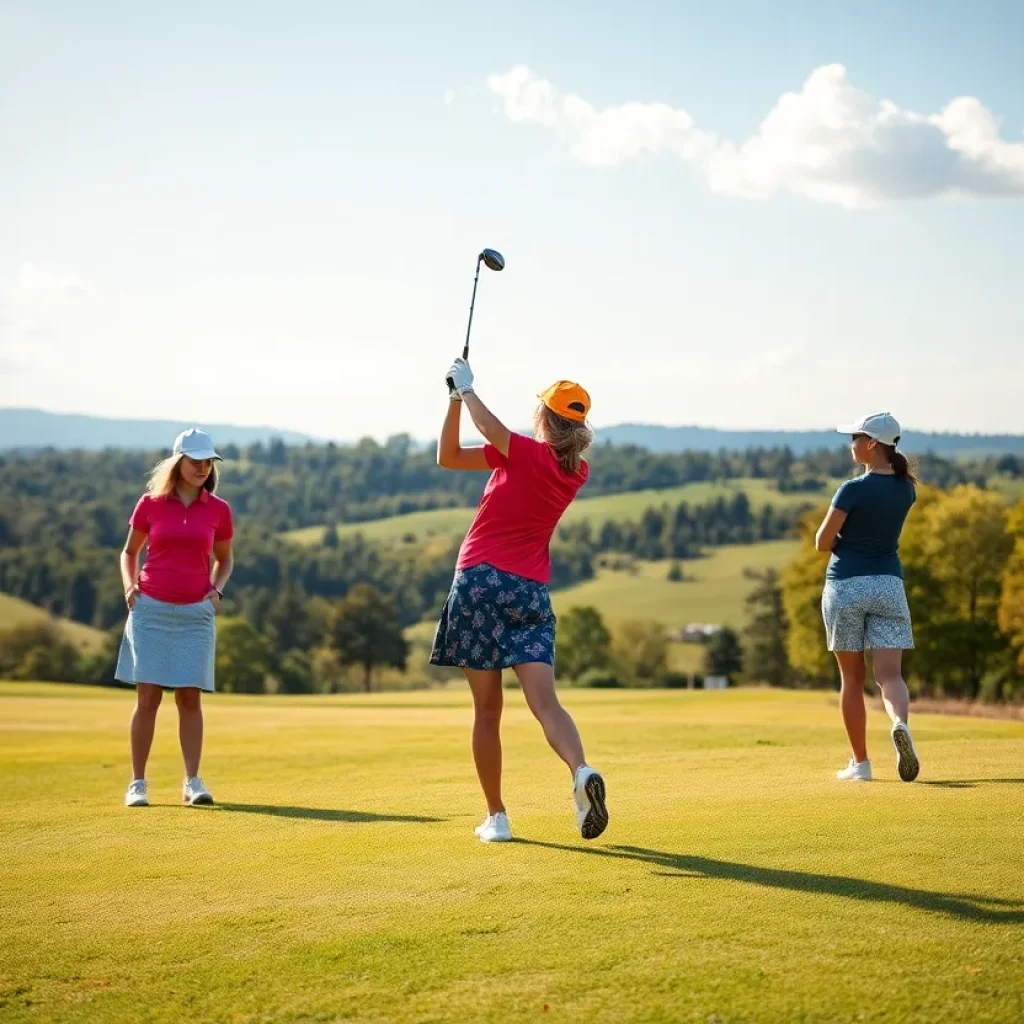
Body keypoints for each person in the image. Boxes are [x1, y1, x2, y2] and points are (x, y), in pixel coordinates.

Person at [431, 357, 608, 843]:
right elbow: (450, 455)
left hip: (480, 583)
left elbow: (487, 428)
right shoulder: (575, 471)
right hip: (529, 592)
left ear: (544, 420)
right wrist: (454, 399)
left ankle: (497, 816)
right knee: (546, 704)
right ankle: (580, 770)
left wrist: (465, 390)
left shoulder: (526, 454)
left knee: (488, 712)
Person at [116, 428, 235, 807]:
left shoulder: (219, 510)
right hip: (150, 608)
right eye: (195, 460)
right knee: (148, 697)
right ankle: (138, 783)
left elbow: (225, 558)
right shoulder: (150, 504)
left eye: (207, 462)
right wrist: (129, 588)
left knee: (189, 698)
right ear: (177, 462)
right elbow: (129, 552)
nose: (202, 467)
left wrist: (215, 591)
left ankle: (192, 782)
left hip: (195, 614)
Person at [815, 412, 920, 783]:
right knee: (890, 675)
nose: (852, 444)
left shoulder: (852, 490)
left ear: (873, 443)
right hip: (889, 585)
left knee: (851, 678)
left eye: (856, 438)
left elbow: (822, 542)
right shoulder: (907, 489)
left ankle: (860, 764)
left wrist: (845, 542)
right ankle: (899, 724)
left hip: (847, 585)